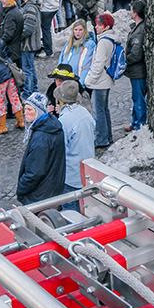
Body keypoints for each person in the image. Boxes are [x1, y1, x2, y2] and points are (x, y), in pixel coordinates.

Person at [15, 92, 66, 205]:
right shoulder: (52, 126)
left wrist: (21, 188)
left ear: (38, 112)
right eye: (25, 109)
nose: (25, 113)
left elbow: (34, 173)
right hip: (51, 187)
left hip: (39, 195)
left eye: (30, 109)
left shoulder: (41, 138)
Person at [55, 80, 95, 212]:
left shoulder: (64, 121)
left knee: (71, 214)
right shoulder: (85, 113)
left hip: (71, 176)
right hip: (88, 172)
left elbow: (61, 149)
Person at [85, 13, 118, 148]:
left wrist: (89, 80)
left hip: (100, 81)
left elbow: (98, 64)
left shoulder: (104, 42)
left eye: (99, 25)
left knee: (99, 111)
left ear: (106, 27)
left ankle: (101, 139)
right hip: (105, 80)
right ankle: (107, 136)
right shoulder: (109, 39)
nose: (96, 27)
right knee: (104, 110)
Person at [125, 0, 146, 132]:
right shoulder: (137, 27)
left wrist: (124, 61)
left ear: (136, 13)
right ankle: (135, 122)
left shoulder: (139, 31)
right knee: (136, 97)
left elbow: (136, 54)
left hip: (138, 70)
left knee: (139, 99)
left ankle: (139, 125)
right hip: (136, 70)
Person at [18, 0, 42, 97]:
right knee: (30, 68)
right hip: (31, 44)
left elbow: (27, 29)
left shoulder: (30, 8)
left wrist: (18, 37)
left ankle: (28, 93)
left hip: (28, 44)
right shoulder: (32, 6)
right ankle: (34, 89)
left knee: (27, 70)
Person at [58, 19, 95, 88]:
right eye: (76, 30)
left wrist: (80, 84)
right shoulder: (68, 44)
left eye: (80, 30)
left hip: (78, 83)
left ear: (85, 31)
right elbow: (61, 61)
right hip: (65, 82)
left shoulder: (89, 45)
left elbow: (87, 66)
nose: (78, 32)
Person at [0, 0, 24, 66]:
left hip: (11, 50)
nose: (1, 1)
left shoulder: (10, 15)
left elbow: (9, 34)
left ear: (9, 2)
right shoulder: (15, 12)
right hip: (16, 48)